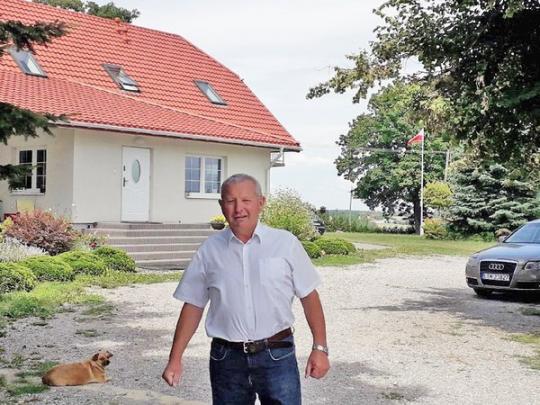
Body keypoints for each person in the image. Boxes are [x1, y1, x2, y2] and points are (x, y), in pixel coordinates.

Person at [162, 173, 330, 404]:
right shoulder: (209, 251)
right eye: (230, 201)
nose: (238, 208)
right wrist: (175, 358)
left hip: (277, 355)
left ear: (261, 202)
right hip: (226, 360)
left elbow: (309, 297)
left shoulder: (285, 244)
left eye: (246, 200)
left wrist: (320, 348)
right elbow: (193, 305)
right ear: (222, 205)